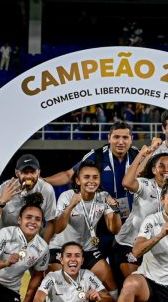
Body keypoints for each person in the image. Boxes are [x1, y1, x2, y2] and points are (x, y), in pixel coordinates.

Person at [44, 121, 139, 285]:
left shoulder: (139, 156)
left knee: (123, 271)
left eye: (125, 137)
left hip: (131, 223)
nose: (120, 142)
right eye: (116, 137)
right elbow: (69, 175)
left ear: (131, 139)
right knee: (92, 271)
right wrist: (43, 181)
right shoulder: (98, 155)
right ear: (109, 138)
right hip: (100, 221)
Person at [46, 162, 123, 302]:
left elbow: (114, 229)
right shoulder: (67, 196)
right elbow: (58, 228)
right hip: (60, 248)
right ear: (78, 180)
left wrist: (116, 211)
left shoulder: (103, 196)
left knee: (111, 284)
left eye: (95, 177)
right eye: (86, 177)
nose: (91, 181)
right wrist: (70, 206)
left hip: (87, 249)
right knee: (60, 284)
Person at [117, 142, 168, 279]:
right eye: (161, 166)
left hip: (154, 248)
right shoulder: (146, 184)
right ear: (153, 170)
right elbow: (127, 183)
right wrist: (142, 154)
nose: (166, 169)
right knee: (133, 285)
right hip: (130, 243)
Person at [0, 154, 57, 263]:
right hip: (0, 239)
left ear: (39, 172)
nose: (29, 176)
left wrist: (43, 247)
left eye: (33, 172)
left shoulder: (46, 190)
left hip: (30, 240)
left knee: (42, 272)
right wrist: (2, 201)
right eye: (25, 172)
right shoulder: (5, 188)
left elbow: (51, 222)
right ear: (17, 173)